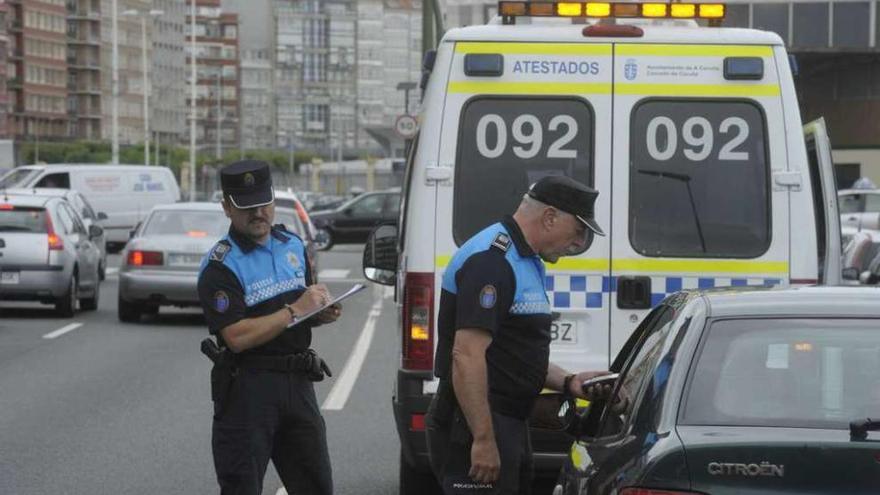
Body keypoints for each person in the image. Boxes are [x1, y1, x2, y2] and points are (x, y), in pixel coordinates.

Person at [426, 175, 612, 494]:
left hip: (507, 422)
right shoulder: (492, 261)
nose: (579, 243)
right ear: (550, 217)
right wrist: (483, 439)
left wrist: (569, 382)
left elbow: (512, 353)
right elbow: (466, 356)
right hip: (476, 424)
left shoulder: (524, 259)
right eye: (579, 230)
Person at [197, 160, 341, 495]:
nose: (259, 212)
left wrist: (319, 312)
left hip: (298, 381)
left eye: (264, 203)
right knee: (242, 488)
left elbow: (301, 304)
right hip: (249, 389)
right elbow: (236, 337)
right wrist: (295, 310)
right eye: (247, 207)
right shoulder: (220, 266)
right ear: (227, 208)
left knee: (317, 486)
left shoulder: (290, 245)